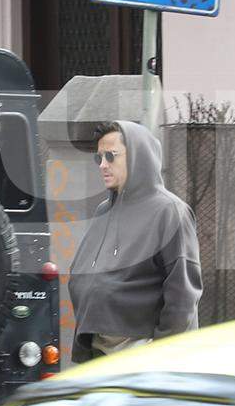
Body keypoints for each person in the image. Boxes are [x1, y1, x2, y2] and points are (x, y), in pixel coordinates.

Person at [68, 120, 202, 361]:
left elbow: (183, 294)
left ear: (138, 157)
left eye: (111, 156)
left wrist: (159, 353)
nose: (103, 165)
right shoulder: (103, 211)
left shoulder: (170, 211)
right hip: (99, 353)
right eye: (98, 158)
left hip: (144, 357)